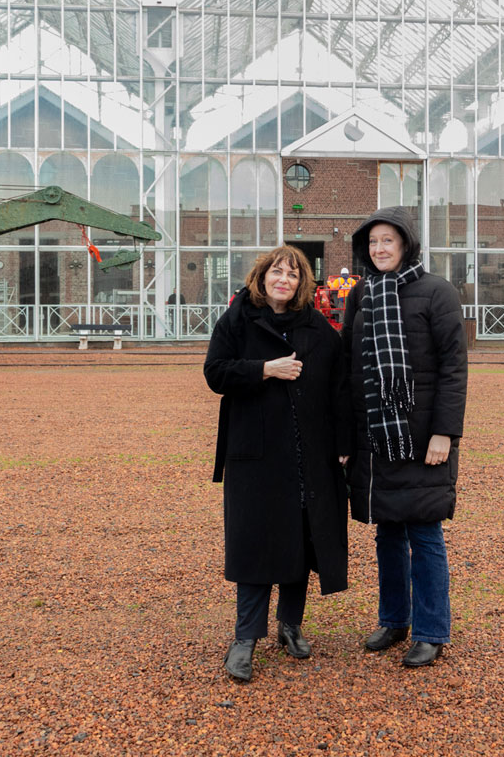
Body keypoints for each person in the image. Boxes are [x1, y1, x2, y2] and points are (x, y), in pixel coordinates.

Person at [203, 245, 351, 683]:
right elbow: (215, 373)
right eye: (276, 273)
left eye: (292, 274)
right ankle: (245, 637)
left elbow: (339, 388)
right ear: (262, 277)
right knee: (254, 540)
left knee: (299, 539)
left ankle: (290, 624)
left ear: (302, 282)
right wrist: (265, 369)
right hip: (255, 453)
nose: (283, 280)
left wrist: (344, 443)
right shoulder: (238, 318)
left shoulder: (318, 328)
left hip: (309, 452)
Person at [341, 207, 468, 668]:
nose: (379, 249)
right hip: (374, 432)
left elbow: (454, 368)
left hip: (421, 435)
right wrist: (345, 436)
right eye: (372, 242)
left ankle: (432, 630)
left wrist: (444, 433)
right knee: (387, 531)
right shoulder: (360, 295)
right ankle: (394, 619)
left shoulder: (437, 292)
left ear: (406, 243)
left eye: (387, 241)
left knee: (425, 530)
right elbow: (348, 366)